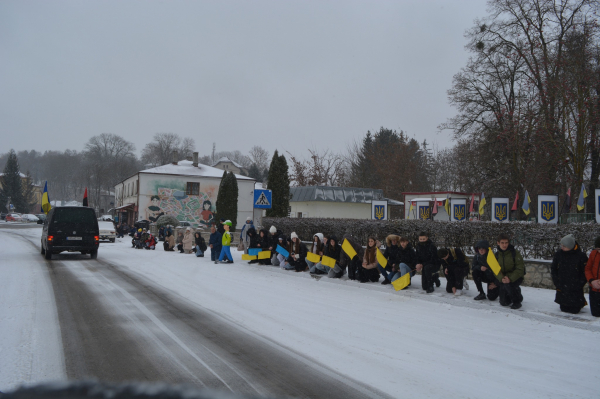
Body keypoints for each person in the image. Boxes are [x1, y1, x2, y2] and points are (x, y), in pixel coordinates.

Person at [551, 234, 588, 314]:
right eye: (561, 245)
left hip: (575, 286)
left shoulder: (581, 256)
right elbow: (554, 268)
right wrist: (556, 281)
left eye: (564, 246)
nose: (562, 247)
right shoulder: (559, 254)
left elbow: (585, 272)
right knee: (563, 308)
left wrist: (579, 284)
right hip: (562, 284)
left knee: (574, 310)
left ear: (570, 246)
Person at [495, 233, 525, 309]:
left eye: (506, 243)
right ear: (498, 243)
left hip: (516, 277)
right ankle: (514, 294)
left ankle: (517, 301)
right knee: (504, 303)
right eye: (502, 243)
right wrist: (501, 278)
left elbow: (520, 269)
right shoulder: (497, 255)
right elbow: (495, 270)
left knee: (509, 285)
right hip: (503, 278)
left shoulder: (515, 253)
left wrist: (510, 278)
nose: (504, 245)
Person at [585, 236, 600, 317]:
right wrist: (591, 281)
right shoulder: (593, 254)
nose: (599, 251)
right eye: (598, 249)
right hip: (594, 289)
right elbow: (588, 269)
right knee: (595, 314)